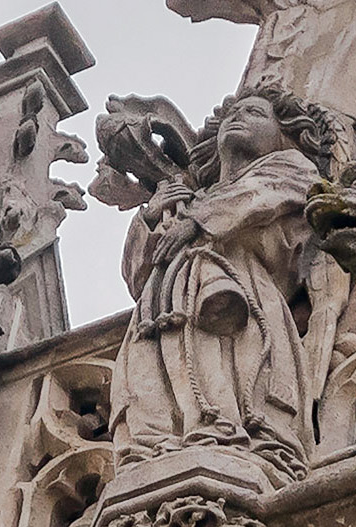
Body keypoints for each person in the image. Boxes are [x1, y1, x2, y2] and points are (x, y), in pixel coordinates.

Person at [110, 86, 341, 485]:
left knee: (231, 368)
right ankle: (154, 446)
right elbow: (136, 273)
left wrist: (197, 219)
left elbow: (262, 198)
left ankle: (234, 435)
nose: (237, 119)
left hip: (242, 290)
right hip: (163, 304)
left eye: (254, 113)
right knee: (153, 379)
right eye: (231, 116)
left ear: (285, 133)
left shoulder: (290, 169)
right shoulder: (197, 196)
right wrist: (155, 214)